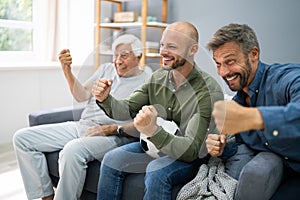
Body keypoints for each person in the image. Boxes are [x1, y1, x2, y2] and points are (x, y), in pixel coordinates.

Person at [92, 21, 224, 200]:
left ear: (193, 50)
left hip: (189, 156)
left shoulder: (207, 90)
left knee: (156, 170)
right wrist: (105, 98)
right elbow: (127, 109)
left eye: (172, 46)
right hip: (155, 146)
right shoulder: (158, 77)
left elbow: (191, 150)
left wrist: (153, 131)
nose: (162, 52)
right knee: (111, 160)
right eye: (162, 45)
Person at [13, 34, 152, 200]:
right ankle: (46, 196)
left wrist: (110, 129)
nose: (118, 61)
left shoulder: (147, 82)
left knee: (72, 151)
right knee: (22, 138)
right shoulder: (106, 69)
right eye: (115, 56)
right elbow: (82, 95)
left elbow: (143, 123)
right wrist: (67, 71)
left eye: (124, 55)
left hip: (112, 136)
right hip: (83, 125)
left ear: (139, 57)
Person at [205, 23, 300, 199]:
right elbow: (244, 146)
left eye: (230, 61)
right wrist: (221, 148)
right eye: (218, 64)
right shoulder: (238, 103)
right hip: (280, 175)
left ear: (254, 54)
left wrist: (254, 118)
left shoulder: (285, 79)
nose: (223, 72)